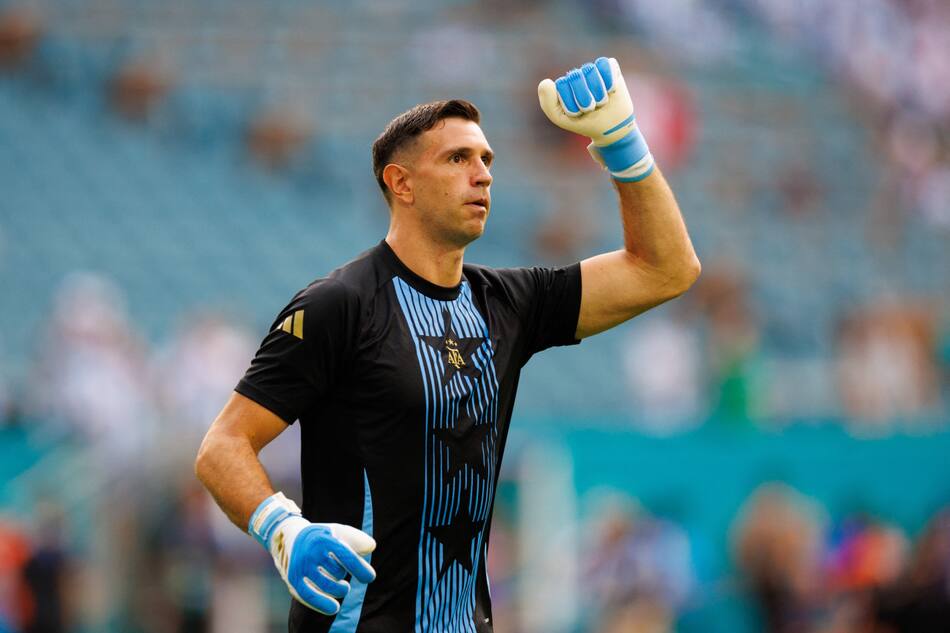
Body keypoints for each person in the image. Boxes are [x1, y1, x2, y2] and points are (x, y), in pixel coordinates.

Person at [195, 56, 700, 632]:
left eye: (486, 159)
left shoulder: (509, 303)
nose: (482, 174)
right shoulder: (340, 305)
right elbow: (222, 446)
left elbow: (666, 269)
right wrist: (282, 528)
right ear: (401, 182)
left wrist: (621, 141)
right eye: (458, 159)